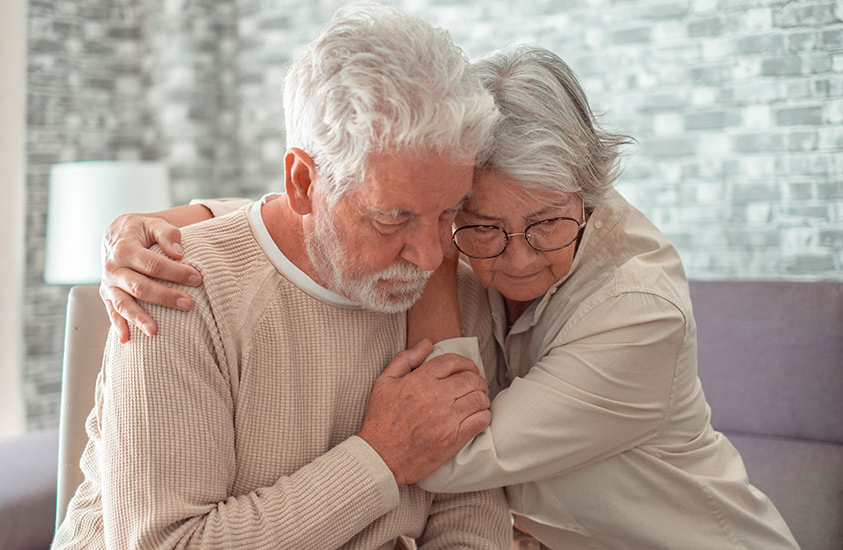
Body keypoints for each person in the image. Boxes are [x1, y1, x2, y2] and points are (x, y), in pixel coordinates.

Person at [100, 47, 800, 549]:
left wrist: (428, 251)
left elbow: (449, 455)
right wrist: (171, 224)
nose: (516, 257)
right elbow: (328, 203)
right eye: (482, 224)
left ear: (590, 195)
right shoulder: (182, 288)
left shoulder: (638, 309)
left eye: (549, 223)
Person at [52, 5, 513, 549]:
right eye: (394, 217)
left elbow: (470, 514)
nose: (431, 254)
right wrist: (382, 457)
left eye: (449, 210)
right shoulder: (174, 292)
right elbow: (165, 544)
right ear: (301, 182)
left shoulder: (451, 284)